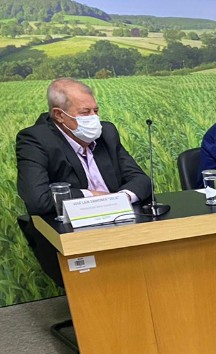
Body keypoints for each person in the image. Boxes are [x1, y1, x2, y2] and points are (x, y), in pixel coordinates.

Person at [15, 77, 151, 286]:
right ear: (59, 115)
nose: (94, 118)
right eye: (85, 113)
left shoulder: (107, 133)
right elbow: (38, 199)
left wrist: (119, 199)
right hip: (73, 233)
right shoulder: (35, 140)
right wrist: (92, 196)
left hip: (121, 225)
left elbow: (141, 180)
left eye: (96, 111)